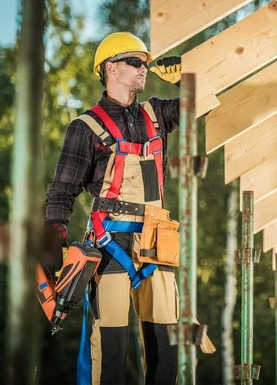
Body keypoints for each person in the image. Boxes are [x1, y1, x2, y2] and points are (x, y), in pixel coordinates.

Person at [45, 31, 186, 385]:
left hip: (157, 245)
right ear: (111, 68)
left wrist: (191, 77)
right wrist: (53, 242)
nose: (145, 69)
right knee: (110, 350)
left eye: (147, 63)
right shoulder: (85, 127)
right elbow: (62, 192)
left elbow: (208, 102)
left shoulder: (156, 114)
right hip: (111, 244)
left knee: (166, 350)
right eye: (136, 62)